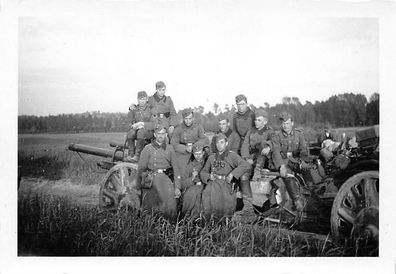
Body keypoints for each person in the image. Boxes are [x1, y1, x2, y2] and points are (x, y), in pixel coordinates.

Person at [200, 133, 252, 221]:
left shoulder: (232, 155)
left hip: (226, 184)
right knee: (207, 199)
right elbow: (203, 172)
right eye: (217, 143)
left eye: (221, 142)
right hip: (213, 183)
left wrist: (233, 174)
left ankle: (224, 224)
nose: (219, 145)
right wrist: (209, 176)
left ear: (226, 143)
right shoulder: (211, 157)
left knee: (225, 204)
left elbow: (246, 165)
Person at [136, 124, 182, 220]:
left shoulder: (169, 149)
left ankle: (168, 224)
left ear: (165, 134)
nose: (161, 136)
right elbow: (141, 168)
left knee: (170, 201)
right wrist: (138, 187)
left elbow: (176, 169)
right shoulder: (147, 148)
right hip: (151, 179)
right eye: (159, 133)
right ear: (155, 134)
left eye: (163, 133)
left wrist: (177, 187)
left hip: (164, 178)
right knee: (150, 205)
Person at [270, 112, 309, 212]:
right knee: (287, 176)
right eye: (283, 124)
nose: (285, 126)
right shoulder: (276, 136)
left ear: (292, 123)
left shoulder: (299, 134)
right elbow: (276, 153)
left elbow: (303, 149)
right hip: (284, 162)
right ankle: (297, 201)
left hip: (296, 161)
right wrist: (281, 166)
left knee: (309, 171)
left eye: (287, 123)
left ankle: (312, 196)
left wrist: (303, 161)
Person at [171, 108, 209, 175]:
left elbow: (205, 139)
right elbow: (173, 144)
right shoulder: (178, 128)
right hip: (183, 152)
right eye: (186, 119)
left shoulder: (198, 127)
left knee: (202, 164)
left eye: (190, 118)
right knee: (181, 169)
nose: (188, 121)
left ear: (193, 118)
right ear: (183, 118)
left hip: (196, 150)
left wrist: (195, 146)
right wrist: (185, 148)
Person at [126, 91, 156, 162]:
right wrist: (132, 126)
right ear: (137, 99)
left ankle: (138, 155)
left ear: (147, 99)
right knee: (131, 133)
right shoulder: (134, 109)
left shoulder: (151, 109)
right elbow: (128, 122)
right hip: (136, 131)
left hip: (148, 132)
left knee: (141, 132)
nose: (142, 101)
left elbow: (154, 124)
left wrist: (143, 124)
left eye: (144, 99)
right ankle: (131, 154)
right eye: (140, 99)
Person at [181, 144, 208, 218]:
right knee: (190, 198)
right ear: (193, 154)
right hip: (193, 187)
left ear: (203, 153)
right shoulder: (190, 166)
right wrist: (192, 178)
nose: (198, 156)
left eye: (200, 154)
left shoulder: (207, 163)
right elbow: (182, 184)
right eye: (196, 154)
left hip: (205, 187)